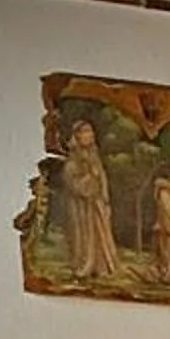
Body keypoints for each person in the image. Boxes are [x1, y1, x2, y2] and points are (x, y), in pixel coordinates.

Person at [59, 119, 121, 280]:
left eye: (91, 132)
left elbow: (102, 176)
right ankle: (84, 265)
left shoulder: (94, 155)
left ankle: (100, 266)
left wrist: (104, 194)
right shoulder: (73, 159)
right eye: (85, 132)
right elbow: (71, 179)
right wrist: (88, 180)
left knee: (99, 233)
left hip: (96, 203)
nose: (90, 135)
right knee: (83, 234)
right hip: (81, 205)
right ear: (77, 136)